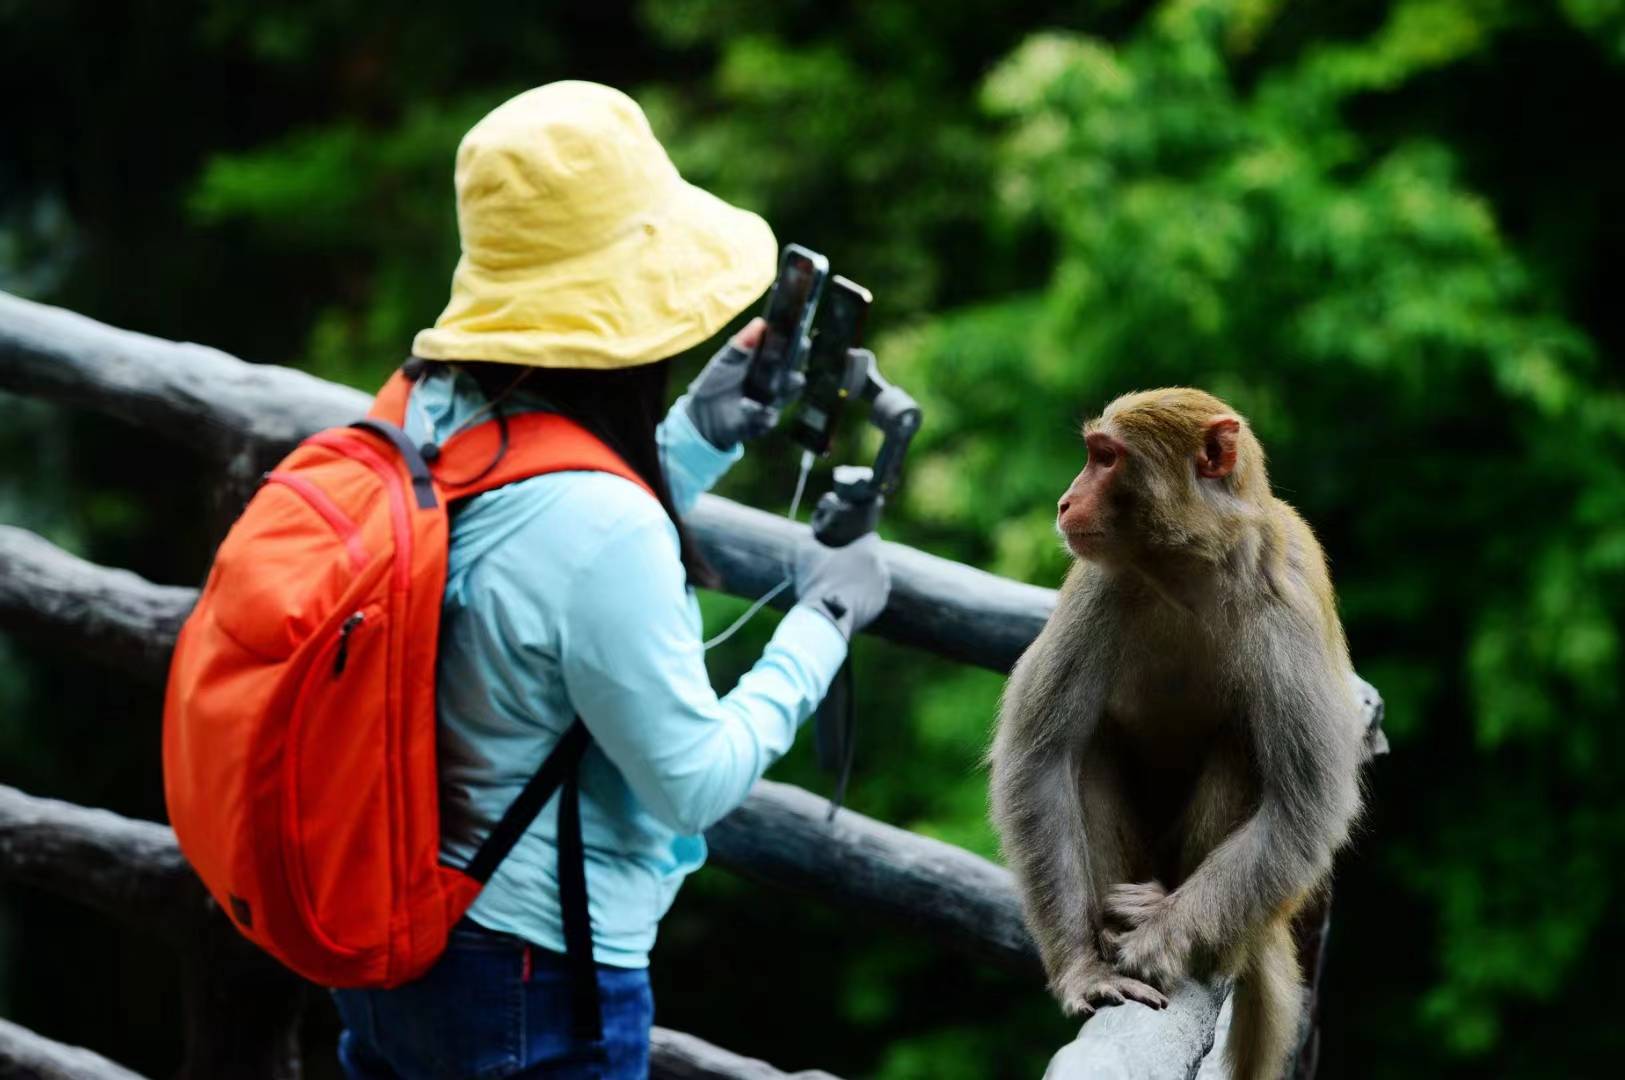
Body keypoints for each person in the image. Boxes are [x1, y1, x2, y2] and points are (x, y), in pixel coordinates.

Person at [328, 82, 890, 1079]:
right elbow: (691, 783)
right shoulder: (603, 532)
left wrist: (687, 443)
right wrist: (825, 619)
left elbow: (522, 552)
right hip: (527, 977)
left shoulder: (429, 410)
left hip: (390, 935)